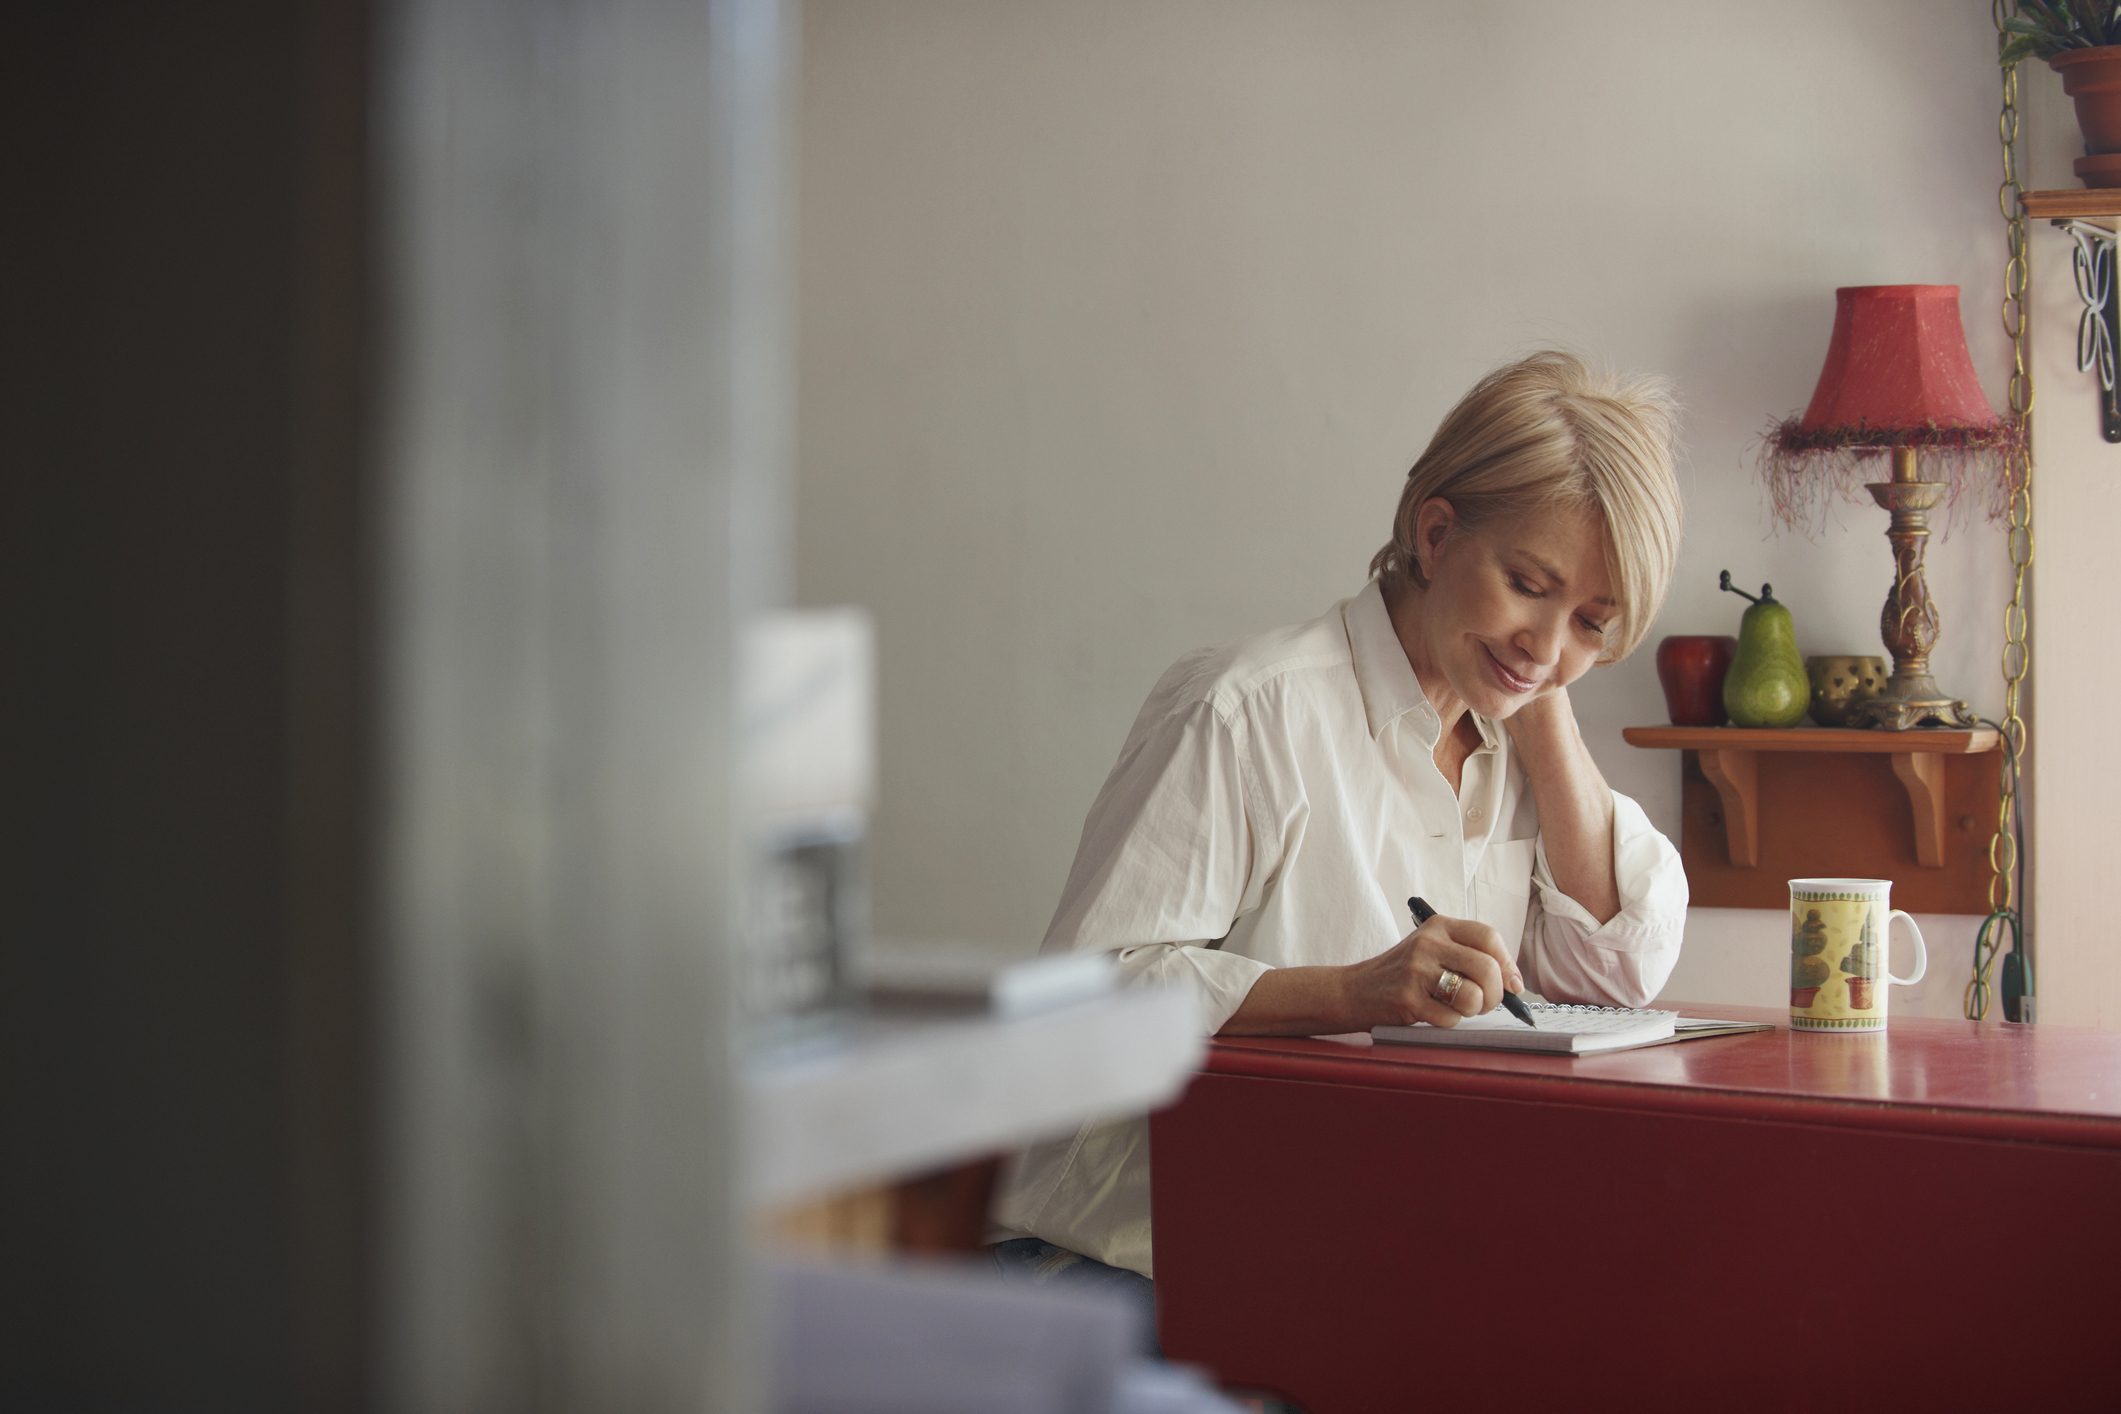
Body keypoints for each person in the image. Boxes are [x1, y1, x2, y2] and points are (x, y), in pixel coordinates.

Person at [988, 351, 1691, 1319]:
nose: (1547, 641)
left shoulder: (1514, 731)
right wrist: (1352, 992)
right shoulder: (1243, 710)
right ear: (1435, 533)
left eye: (1591, 622)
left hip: (1348, 1272)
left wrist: (1540, 700)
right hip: (1126, 1273)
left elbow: (1619, 972)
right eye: (1529, 584)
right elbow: (1084, 1000)